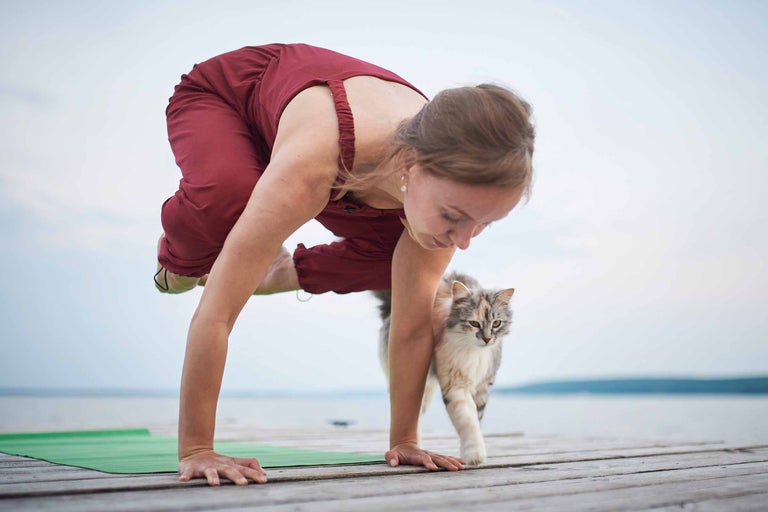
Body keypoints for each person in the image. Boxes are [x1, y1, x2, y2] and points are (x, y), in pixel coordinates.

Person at [155, 43, 534, 486]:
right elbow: (217, 313)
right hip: (232, 99)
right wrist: (198, 449)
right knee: (230, 200)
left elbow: (410, 326)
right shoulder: (317, 160)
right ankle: (183, 260)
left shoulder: (442, 183)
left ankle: (271, 268)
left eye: (484, 223)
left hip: (351, 166)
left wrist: (405, 440)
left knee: (401, 269)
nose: (465, 242)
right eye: (454, 217)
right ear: (411, 165)